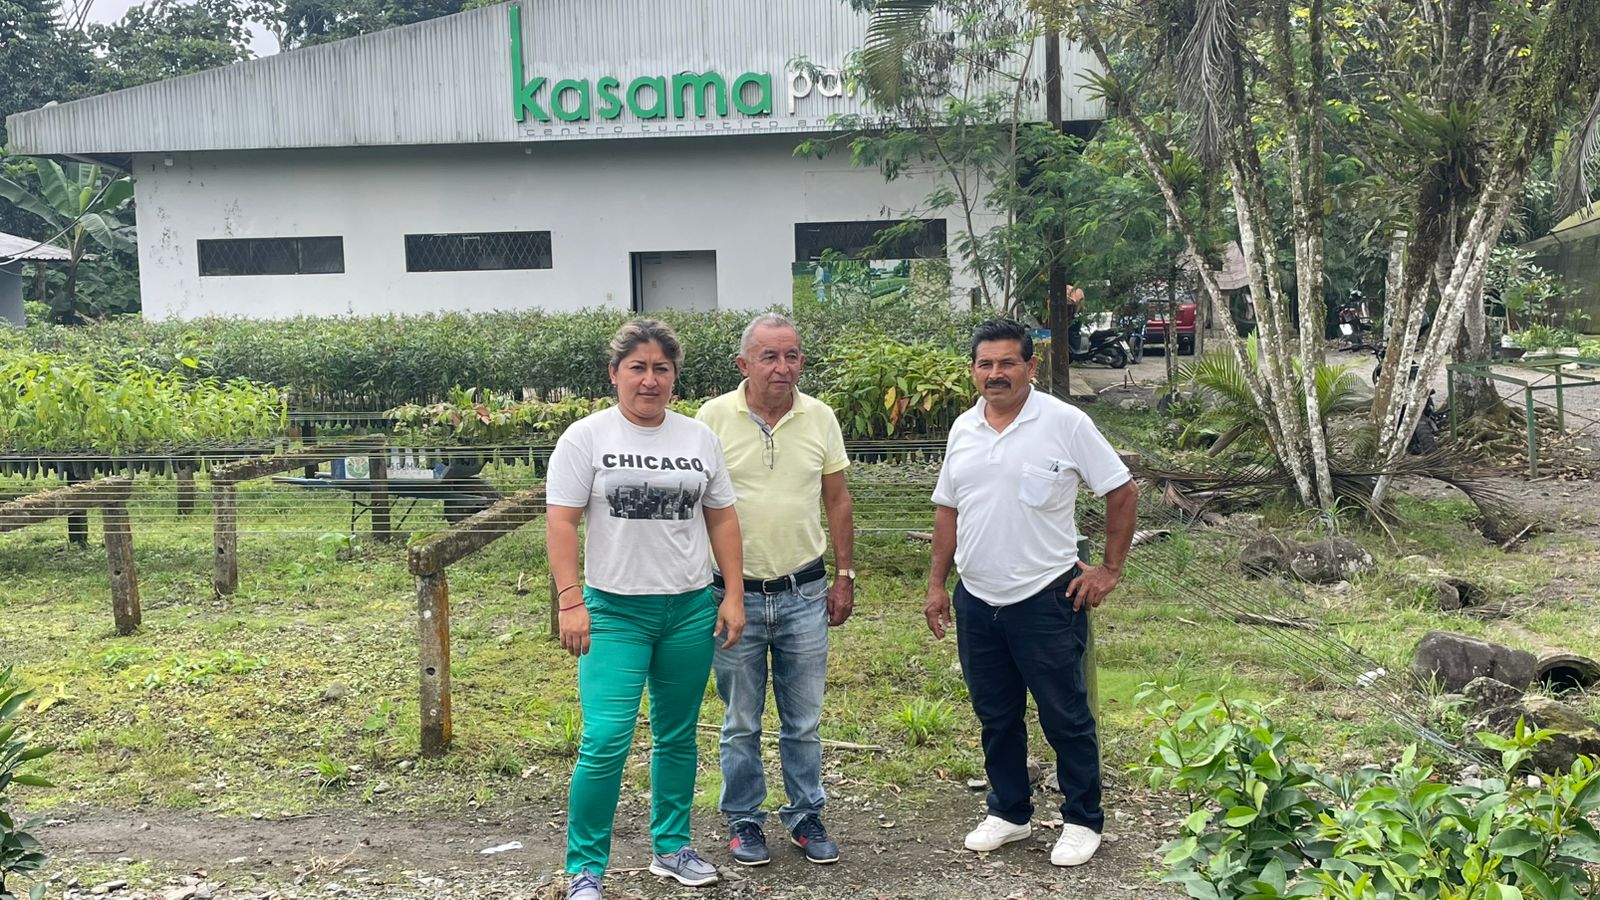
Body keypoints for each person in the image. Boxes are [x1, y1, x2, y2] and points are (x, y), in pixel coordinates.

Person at [924, 318, 1137, 869]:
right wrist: (937, 585)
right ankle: (1010, 811)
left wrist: (1109, 570)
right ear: (974, 370)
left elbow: (1121, 490)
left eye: (1007, 363)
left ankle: (1083, 820)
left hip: (1045, 598)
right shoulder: (963, 428)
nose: (995, 374)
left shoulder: (1065, 423)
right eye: (985, 364)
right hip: (977, 599)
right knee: (996, 716)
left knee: (1065, 715)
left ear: (1030, 367)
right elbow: (948, 510)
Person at [545, 319, 747, 900]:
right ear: (615, 373)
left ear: (674, 377)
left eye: (662, 369)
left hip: (688, 609)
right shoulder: (586, 437)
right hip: (614, 612)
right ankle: (585, 868)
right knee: (605, 740)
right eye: (637, 367)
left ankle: (672, 846)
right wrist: (570, 600)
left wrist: (733, 594)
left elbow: (722, 518)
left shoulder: (698, 438)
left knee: (677, 735)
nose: (649, 380)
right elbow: (561, 521)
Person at [695, 313, 855, 867]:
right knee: (740, 718)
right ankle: (744, 818)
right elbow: (698, 503)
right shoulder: (712, 417)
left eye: (791, 356)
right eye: (769, 356)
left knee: (803, 719)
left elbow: (837, 499)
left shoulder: (820, 417)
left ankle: (806, 814)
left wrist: (844, 575)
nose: (782, 367)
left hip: (804, 591)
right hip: (731, 596)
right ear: (744, 364)